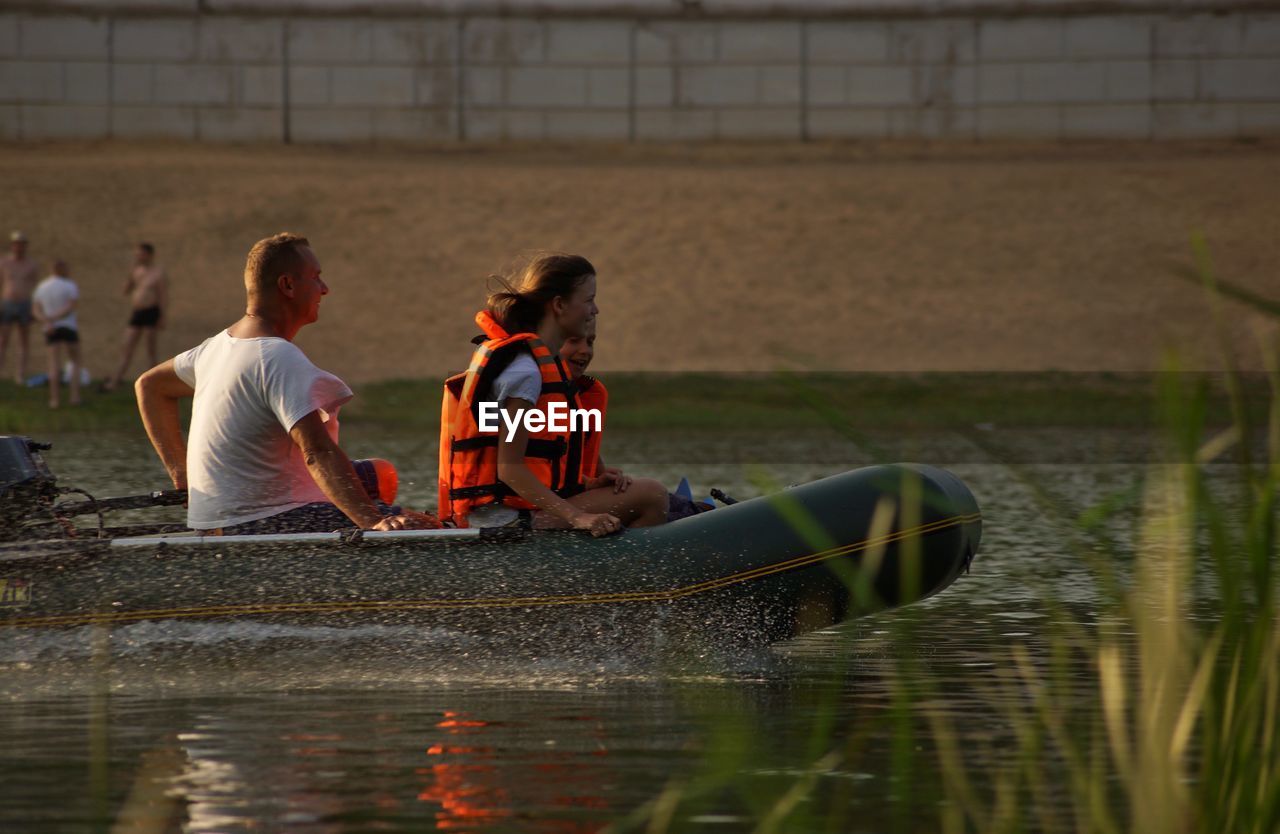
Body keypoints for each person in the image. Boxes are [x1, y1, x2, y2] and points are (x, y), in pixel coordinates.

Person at [136, 232, 438, 535]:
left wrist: (183, 474)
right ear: (288, 286)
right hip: (262, 523)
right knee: (428, 526)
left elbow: (149, 386)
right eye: (316, 278)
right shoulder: (276, 357)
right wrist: (374, 522)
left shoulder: (214, 348)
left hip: (221, 518)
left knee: (379, 474)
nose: (325, 289)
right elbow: (317, 452)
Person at [438, 253, 668, 537]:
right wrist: (578, 516)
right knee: (652, 495)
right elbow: (509, 469)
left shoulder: (536, 366)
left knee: (637, 491)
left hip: (518, 513)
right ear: (559, 305)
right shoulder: (526, 373)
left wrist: (586, 485)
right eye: (589, 300)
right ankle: (627, 576)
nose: (595, 310)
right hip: (505, 523)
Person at [560, 320, 713, 521]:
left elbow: (582, 452)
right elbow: (529, 470)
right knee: (652, 494)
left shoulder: (571, 393)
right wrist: (581, 504)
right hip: (547, 510)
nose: (585, 351)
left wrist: (602, 479)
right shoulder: (532, 390)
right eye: (574, 341)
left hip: (574, 496)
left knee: (667, 500)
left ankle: (695, 511)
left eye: (590, 342)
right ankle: (695, 517)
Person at [105, 242, 168, 391]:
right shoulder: (136, 271)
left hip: (151, 312)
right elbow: (126, 290)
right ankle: (115, 381)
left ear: (149, 255)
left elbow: (163, 296)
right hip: (137, 312)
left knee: (150, 349)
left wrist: (162, 316)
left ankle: (155, 383)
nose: (138, 256)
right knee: (126, 347)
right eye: (137, 254)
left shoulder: (157, 273)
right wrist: (131, 273)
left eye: (141, 254)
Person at [31, 259, 81, 409]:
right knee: (75, 361)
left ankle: (54, 400)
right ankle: (74, 397)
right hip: (68, 326)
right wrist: (55, 318)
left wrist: (46, 321)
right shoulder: (70, 285)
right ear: (62, 269)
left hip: (50, 328)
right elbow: (70, 307)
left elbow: (36, 310)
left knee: (53, 363)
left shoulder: (42, 286)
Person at [0, 231, 39, 385]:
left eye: (22, 244)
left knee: (24, 341)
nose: (19, 247)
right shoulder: (4, 263)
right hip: (8, 302)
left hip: (24, 303)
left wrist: (35, 308)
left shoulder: (31, 265)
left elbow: (35, 286)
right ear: (12, 245)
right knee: (3, 339)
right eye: (16, 244)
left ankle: (20, 374)